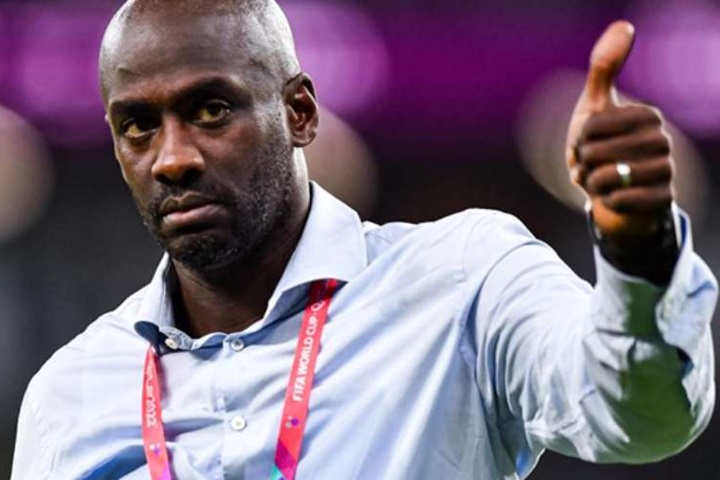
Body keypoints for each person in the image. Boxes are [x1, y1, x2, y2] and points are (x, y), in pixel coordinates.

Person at [11, 1, 717, 479]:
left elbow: (642, 415)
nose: (172, 158)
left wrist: (638, 253)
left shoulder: (464, 283)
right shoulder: (71, 395)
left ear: (300, 112)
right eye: (138, 125)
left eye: (212, 109)